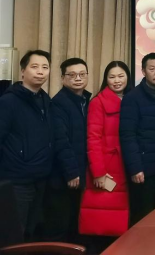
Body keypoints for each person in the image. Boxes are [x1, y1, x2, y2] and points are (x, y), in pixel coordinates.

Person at [0, 50, 52, 241]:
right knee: (14, 236)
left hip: (40, 178)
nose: (40, 71)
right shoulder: (8, 101)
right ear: (23, 71)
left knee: (31, 233)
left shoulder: (45, 100)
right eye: (34, 66)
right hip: (16, 180)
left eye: (45, 67)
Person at [79, 61, 131, 238]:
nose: (117, 81)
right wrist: (98, 172)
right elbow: (93, 139)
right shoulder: (98, 102)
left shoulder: (132, 99)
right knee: (105, 220)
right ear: (105, 79)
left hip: (127, 164)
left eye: (121, 76)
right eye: (112, 77)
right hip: (108, 167)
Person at [120, 53, 155, 226]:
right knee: (143, 220)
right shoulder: (132, 97)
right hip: (145, 170)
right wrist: (135, 168)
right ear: (143, 71)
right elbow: (128, 135)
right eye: (152, 69)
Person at [44, 58, 91, 243]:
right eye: (72, 75)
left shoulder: (86, 101)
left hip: (79, 174)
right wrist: (71, 172)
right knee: (60, 227)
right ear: (63, 78)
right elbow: (60, 141)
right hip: (63, 177)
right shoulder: (59, 103)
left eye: (82, 74)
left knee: (75, 226)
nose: (78, 78)